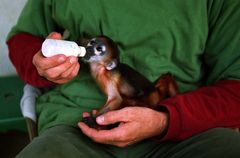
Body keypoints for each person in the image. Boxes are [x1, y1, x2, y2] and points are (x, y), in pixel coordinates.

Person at [7, 0, 240, 157]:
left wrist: (166, 120)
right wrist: (43, 63)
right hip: (72, 125)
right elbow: (23, 40)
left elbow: (235, 88)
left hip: (188, 130)